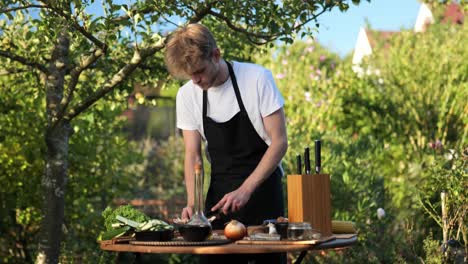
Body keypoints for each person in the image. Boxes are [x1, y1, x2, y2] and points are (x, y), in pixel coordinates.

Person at [165, 23, 287, 263]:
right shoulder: (187, 95)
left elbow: (279, 143)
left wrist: (245, 190)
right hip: (220, 201)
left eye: (199, 71)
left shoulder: (256, 78)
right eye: (189, 75)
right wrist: (194, 204)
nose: (196, 80)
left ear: (216, 55)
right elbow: (193, 155)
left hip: (263, 195)